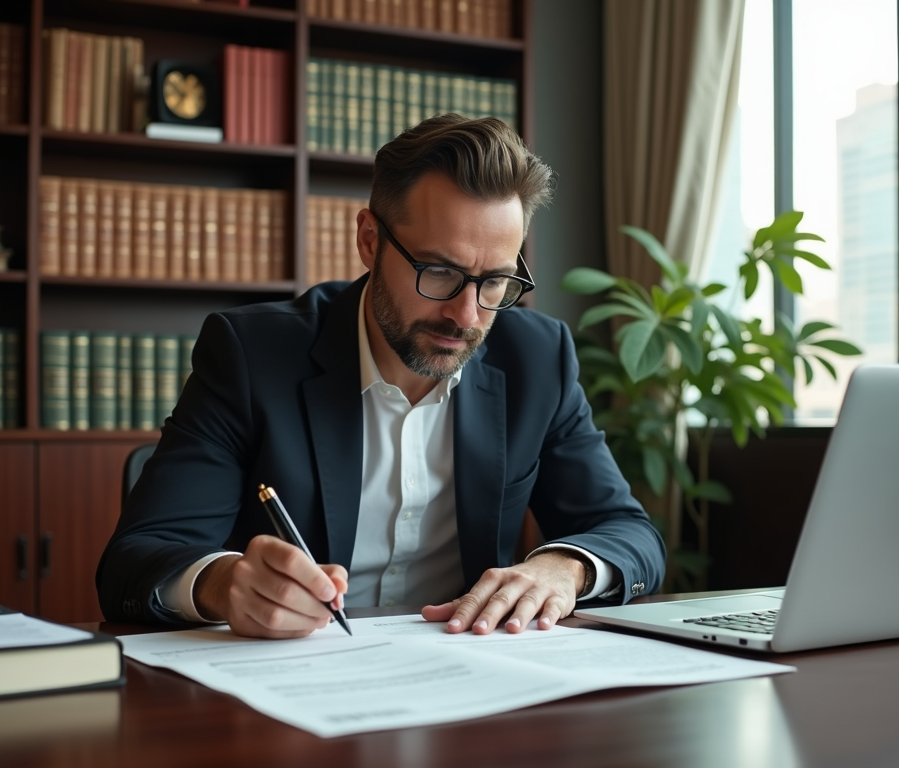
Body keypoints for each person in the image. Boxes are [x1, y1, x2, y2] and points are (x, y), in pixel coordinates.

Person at [96, 113, 666, 639]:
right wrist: (223, 585)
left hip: (467, 682)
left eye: (494, 281)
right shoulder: (252, 354)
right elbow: (137, 558)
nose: (467, 316)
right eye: (439, 272)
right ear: (370, 240)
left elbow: (629, 532)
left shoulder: (537, 359)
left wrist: (563, 568)